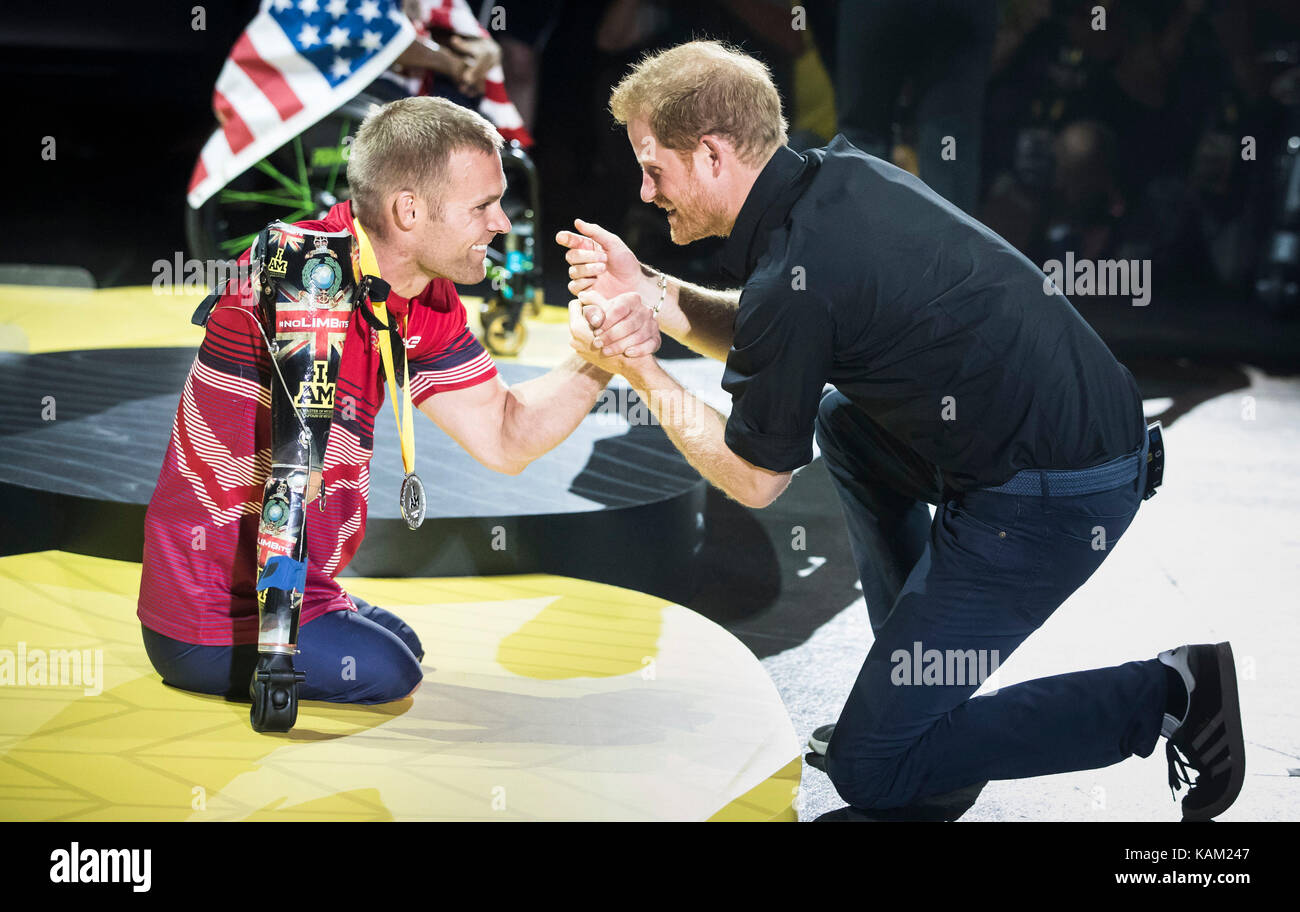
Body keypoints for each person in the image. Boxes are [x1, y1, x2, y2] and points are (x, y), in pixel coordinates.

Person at [559, 40, 1244, 821]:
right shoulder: (843, 180)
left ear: (712, 154)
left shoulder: (795, 279)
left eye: (654, 168)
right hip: (1053, 444)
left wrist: (639, 368)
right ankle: (916, 697)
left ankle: (1171, 694)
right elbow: (771, 329)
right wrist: (647, 293)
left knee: (874, 768)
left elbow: (755, 477)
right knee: (842, 422)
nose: (645, 193)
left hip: (1052, 499)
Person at [140, 96, 658, 705]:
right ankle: (262, 645)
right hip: (215, 614)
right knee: (391, 673)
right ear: (408, 211)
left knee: (401, 645)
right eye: (483, 206)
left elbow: (504, 437)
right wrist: (276, 670)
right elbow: (289, 480)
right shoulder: (306, 278)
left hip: (302, 578)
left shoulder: (421, 292)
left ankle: (320, 610)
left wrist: (599, 356)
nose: (501, 223)